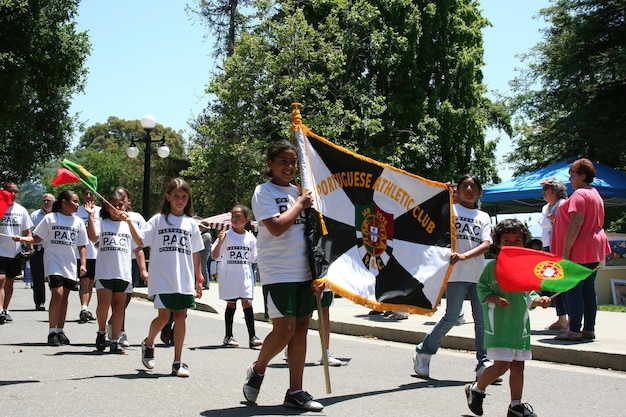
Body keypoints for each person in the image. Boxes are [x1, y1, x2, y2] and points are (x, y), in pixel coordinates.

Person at [243, 139, 323, 411]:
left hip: (305, 271)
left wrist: (320, 272)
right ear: (270, 164)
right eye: (282, 162)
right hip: (278, 270)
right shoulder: (263, 192)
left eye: (292, 162)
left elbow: (314, 233)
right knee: (284, 329)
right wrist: (300, 204)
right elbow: (276, 227)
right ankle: (259, 367)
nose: (289, 167)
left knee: (301, 329)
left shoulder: (302, 191)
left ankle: (296, 390)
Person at [465, 218, 551, 417]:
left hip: (520, 327)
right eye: (506, 240)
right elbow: (480, 290)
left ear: (524, 242)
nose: (512, 244)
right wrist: (494, 298)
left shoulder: (526, 268)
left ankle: (516, 405)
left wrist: (540, 300)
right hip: (500, 326)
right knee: (502, 365)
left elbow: (529, 294)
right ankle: (476, 389)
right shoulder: (491, 268)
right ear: (497, 243)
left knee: (518, 366)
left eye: (517, 240)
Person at [414, 174, 493, 380]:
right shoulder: (450, 210)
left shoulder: (483, 216)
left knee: (482, 320)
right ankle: (424, 351)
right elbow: (428, 221)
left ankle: (484, 362)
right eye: (464, 186)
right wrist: (440, 194)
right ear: (457, 190)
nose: (469, 190)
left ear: (479, 192)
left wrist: (465, 255)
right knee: (452, 316)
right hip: (455, 273)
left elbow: (486, 243)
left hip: (478, 275)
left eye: (473, 187)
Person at [139, 178, 204, 377]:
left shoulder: (191, 223)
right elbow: (140, 240)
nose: (180, 200)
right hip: (163, 277)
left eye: (184, 197)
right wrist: (127, 222)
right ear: (167, 197)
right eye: (175, 196)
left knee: (180, 316)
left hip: (183, 278)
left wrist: (198, 278)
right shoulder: (158, 220)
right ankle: (148, 343)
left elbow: (196, 252)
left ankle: (178, 361)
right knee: (163, 317)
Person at [14, 190, 87, 345]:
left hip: (70, 264)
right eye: (74, 201)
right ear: (63, 203)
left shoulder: (78, 222)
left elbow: (82, 245)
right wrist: (21, 238)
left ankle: (60, 330)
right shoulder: (50, 218)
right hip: (53, 262)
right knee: (58, 294)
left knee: (65, 297)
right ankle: (51, 332)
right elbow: (36, 237)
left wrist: (83, 264)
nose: (77, 205)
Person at [551, 158, 610, 341]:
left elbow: (576, 222)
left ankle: (574, 330)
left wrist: (566, 249)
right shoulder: (595, 194)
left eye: (573, 175)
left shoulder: (579, 194)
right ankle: (589, 329)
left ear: (583, 176)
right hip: (595, 245)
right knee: (588, 289)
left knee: (573, 288)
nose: (570, 179)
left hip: (580, 246)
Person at [86, 190, 145, 354]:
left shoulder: (128, 224)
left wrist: (130, 222)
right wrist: (91, 216)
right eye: (115, 205)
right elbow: (93, 237)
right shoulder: (102, 222)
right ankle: (101, 332)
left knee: (119, 308)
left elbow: (140, 242)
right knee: (103, 305)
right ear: (107, 206)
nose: (118, 208)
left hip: (123, 272)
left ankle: (115, 340)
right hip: (105, 272)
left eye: (121, 205)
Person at [211, 204, 262, 349]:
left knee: (248, 303)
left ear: (246, 219)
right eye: (232, 216)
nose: (234, 219)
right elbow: (215, 256)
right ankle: (228, 335)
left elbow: (254, 258)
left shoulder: (250, 238)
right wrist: (220, 241)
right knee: (231, 303)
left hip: (245, 275)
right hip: (229, 275)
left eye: (238, 217)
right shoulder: (226, 235)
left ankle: (252, 336)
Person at [107, 187, 147, 347]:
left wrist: (143, 269)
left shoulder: (136, 218)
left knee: (125, 300)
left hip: (130, 261)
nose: (120, 202)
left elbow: (141, 242)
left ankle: (113, 323)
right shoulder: (110, 219)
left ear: (128, 201)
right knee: (117, 302)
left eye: (123, 198)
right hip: (115, 260)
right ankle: (120, 332)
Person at [538, 177, 569, 330]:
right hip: (548, 248)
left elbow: (569, 227)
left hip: (560, 248)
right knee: (552, 283)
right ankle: (562, 318)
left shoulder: (563, 205)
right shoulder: (546, 207)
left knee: (562, 284)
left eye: (546, 189)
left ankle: (570, 318)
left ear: (555, 191)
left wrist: (556, 221)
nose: (543, 192)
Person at [0, 182, 33, 323]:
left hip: (14, 253)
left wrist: (30, 249)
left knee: (9, 283)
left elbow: (27, 232)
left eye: (15, 191)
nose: (13, 194)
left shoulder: (21, 210)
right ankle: (0, 309)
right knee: (0, 279)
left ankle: (6, 309)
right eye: (10, 191)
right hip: (0, 252)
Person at [76, 188, 100, 322]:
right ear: (83, 196)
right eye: (86, 194)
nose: (89, 196)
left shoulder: (100, 211)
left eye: (91, 194)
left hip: (97, 253)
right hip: (82, 253)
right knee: (84, 281)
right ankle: (83, 308)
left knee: (91, 282)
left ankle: (86, 308)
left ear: (96, 196)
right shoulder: (77, 211)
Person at [30, 193, 55, 311]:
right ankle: (40, 302)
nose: (46, 202)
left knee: (54, 277)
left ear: (53, 202)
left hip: (53, 250)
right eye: (44, 200)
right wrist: (30, 249)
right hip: (38, 249)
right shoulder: (35, 215)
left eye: (49, 201)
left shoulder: (57, 216)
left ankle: (55, 302)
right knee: (38, 278)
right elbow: (29, 233)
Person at [198, 219, 213, 290]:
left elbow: (201, 244)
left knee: (203, 268)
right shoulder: (204, 234)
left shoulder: (206, 235)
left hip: (203, 254)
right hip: (203, 253)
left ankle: (206, 283)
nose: (200, 228)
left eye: (201, 226)